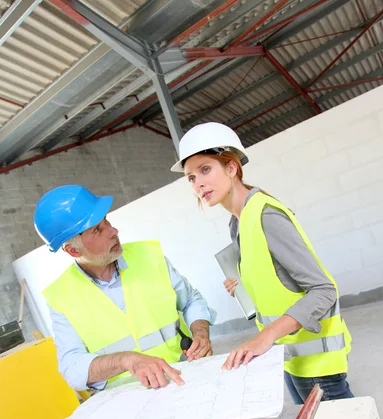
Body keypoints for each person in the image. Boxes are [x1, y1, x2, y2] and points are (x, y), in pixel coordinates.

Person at [171, 122, 353, 404]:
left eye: (205, 169)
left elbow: (324, 290)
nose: (198, 184)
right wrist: (244, 286)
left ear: (231, 168)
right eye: (191, 178)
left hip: (317, 364)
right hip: (288, 356)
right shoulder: (238, 222)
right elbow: (278, 282)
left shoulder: (265, 214)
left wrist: (264, 337)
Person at [33, 185, 216, 391]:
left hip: (185, 375)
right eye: (97, 230)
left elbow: (191, 300)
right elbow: (71, 368)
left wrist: (200, 333)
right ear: (74, 251)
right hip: (128, 399)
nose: (113, 232)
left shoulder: (149, 256)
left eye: (107, 222)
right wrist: (126, 360)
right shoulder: (61, 296)